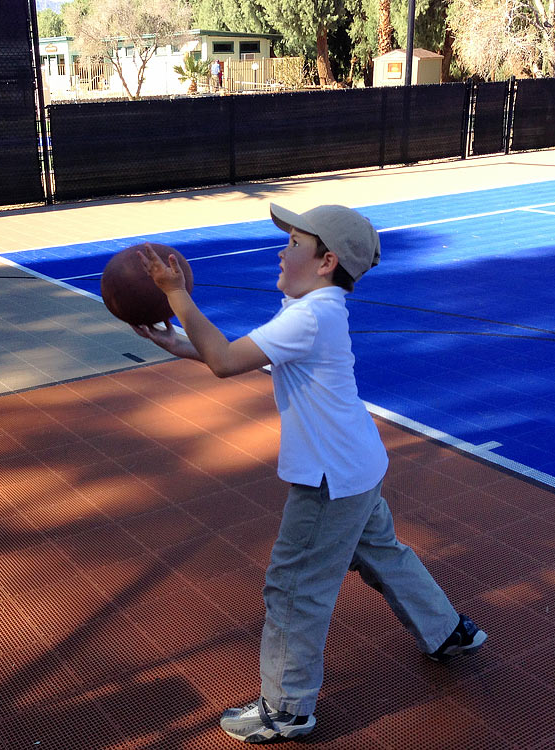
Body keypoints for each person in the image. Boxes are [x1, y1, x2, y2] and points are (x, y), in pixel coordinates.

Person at [133, 204, 487, 744]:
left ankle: (287, 708)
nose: (281, 249)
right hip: (357, 464)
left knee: (294, 588)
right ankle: (447, 633)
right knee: (383, 554)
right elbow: (235, 355)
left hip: (331, 477)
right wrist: (179, 344)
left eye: (294, 243)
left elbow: (227, 362)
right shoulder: (315, 309)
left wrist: (176, 294)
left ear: (326, 262)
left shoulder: (310, 315)